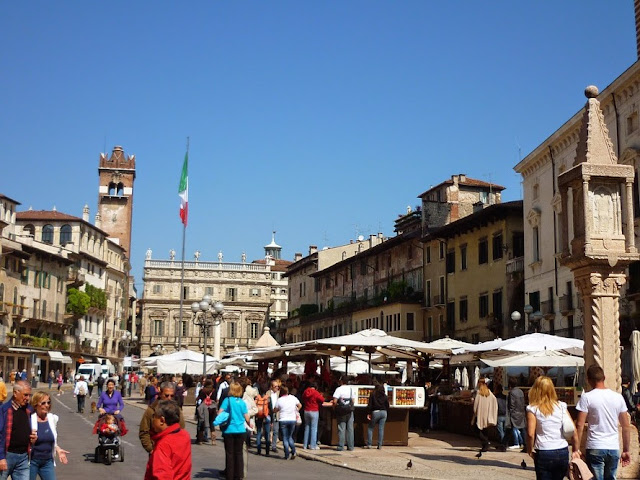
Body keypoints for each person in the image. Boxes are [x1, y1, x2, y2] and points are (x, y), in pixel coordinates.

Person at [574, 365, 631, 480]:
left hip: (595, 445)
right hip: (613, 446)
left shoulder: (587, 397)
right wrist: (626, 450)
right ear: (604, 377)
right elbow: (625, 426)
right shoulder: (618, 397)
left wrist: (576, 448)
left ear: (588, 380)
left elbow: (579, 425)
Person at [526, 376, 579, 480]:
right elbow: (573, 430)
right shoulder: (561, 406)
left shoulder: (533, 408)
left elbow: (530, 434)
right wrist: (575, 450)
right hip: (562, 450)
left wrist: (529, 449)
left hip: (544, 450)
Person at [144, 400, 191, 480]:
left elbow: (163, 475)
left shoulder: (163, 445)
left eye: (154, 416)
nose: (152, 420)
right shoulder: (184, 435)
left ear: (162, 420)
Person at [29, 391, 70, 480]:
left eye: (48, 402)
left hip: (47, 461)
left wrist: (58, 449)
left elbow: (50, 439)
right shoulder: (30, 420)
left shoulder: (52, 419)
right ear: (36, 405)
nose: (47, 405)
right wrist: (30, 441)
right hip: (32, 461)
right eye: (43, 403)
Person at [0, 381, 36, 480]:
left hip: (23, 457)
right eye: (25, 395)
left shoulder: (29, 410)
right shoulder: (4, 410)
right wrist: (1, 458)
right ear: (15, 393)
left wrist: (34, 438)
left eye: (29, 395)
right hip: (7, 456)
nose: (28, 398)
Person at [139, 382, 185, 453]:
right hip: (157, 449)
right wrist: (150, 449)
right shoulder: (151, 410)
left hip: (174, 449)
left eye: (171, 396)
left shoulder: (177, 410)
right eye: (166, 395)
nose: (169, 398)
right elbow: (144, 431)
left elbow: (181, 428)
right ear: (160, 394)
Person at [218, 382, 250, 480]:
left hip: (229, 430)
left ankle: (230, 475)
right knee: (239, 453)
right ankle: (238, 475)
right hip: (240, 430)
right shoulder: (242, 402)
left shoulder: (227, 401)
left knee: (230, 454)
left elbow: (220, 413)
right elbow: (247, 417)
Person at [274, 385, 301, 460]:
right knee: (290, 437)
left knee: (285, 438)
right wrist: (296, 410)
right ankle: (293, 451)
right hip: (292, 419)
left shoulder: (279, 400)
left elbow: (275, 409)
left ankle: (286, 454)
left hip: (283, 419)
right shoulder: (293, 398)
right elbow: (300, 405)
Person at [472, 378, 497, 452]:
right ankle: (485, 444)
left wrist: (475, 413)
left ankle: (485, 443)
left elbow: (475, 406)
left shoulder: (479, 393)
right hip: (487, 415)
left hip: (479, 415)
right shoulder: (489, 393)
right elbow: (494, 402)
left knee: (476, 429)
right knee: (485, 430)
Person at [332, 375, 356, 452]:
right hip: (349, 411)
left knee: (341, 428)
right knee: (350, 429)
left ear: (341, 381)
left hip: (341, 411)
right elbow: (353, 400)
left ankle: (341, 446)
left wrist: (335, 406)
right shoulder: (351, 389)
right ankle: (350, 446)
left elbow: (335, 401)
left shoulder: (338, 389)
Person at [366, 383, 390, 449]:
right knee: (381, 429)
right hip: (384, 412)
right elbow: (388, 406)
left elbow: (370, 405)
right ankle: (379, 445)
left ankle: (369, 444)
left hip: (375, 412)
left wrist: (369, 413)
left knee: (370, 428)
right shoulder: (385, 396)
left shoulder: (373, 395)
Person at [302, 382, 325, 450]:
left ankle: (305, 445)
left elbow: (303, 398)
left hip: (306, 410)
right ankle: (313, 445)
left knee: (307, 428)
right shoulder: (316, 392)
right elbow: (322, 400)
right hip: (314, 410)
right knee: (314, 428)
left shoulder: (305, 391)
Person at [508, 377, 527, 451]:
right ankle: (525, 444)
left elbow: (511, 404)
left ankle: (516, 443)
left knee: (513, 428)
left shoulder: (512, 392)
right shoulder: (521, 391)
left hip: (514, 413)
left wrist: (511, 412)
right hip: (521, 412)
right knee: (522, 429)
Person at [195, 380, 216, 444]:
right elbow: (215, 398)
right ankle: (213, 441)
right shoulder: (214, 391)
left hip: (204, 408)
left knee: (202, 423)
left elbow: (198, 398)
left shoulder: (202, 390)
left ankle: (200, 440)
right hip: (212, 408)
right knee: (212, 424)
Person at [254, 384, 272, 455]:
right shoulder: (268, 398)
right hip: (266, 416)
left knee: (259, 433)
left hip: (258, 416)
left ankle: (258, 450)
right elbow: (271, 409)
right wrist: (272, 420)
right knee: (267, 434)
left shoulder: (257, 398)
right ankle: (267, 451)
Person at [494, 383, 508, 451]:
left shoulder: (495, 397)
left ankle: (503, 445)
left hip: (499, 414)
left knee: (500, 431)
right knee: (504, 431)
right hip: (505, 414)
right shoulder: (505, 397)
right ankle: (504, 444)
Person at [268, 379, 281, 453]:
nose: (277, 388)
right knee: (268, 429)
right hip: (269, 413)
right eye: (275, 386)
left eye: (277, 386)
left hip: (276, 413)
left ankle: (274, 446)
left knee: (276, 430)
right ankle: (268, 442)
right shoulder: (268, 393)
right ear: (272, 387)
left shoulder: (279, 394)